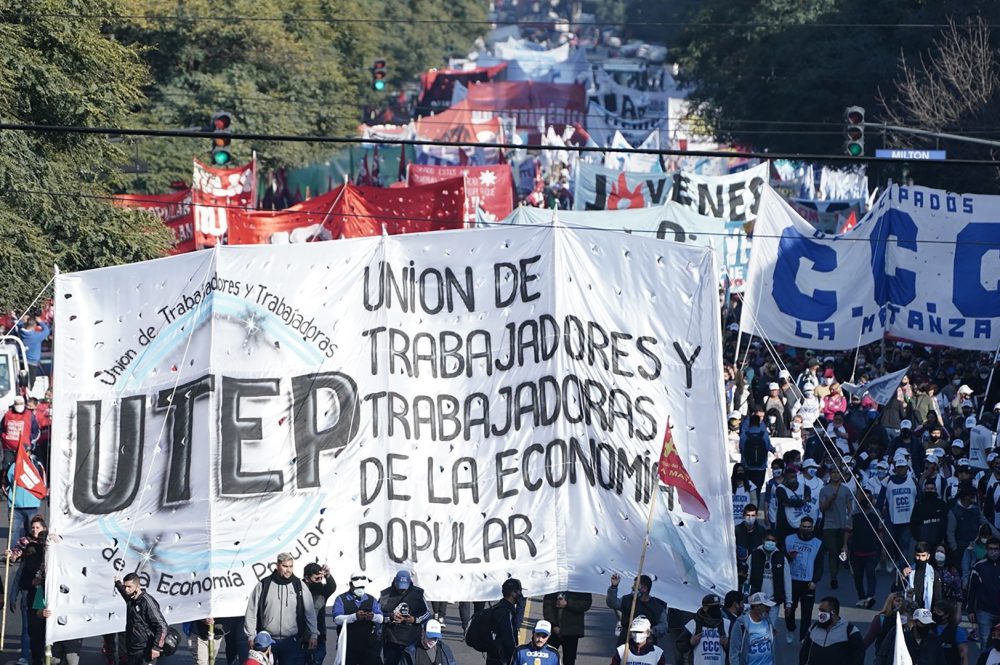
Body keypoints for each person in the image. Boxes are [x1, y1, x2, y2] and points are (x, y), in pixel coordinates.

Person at [244, 554, 319, 665]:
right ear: (277, 565)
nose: (288, 570)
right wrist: (250, 635)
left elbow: (310, 612)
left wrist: (313, 634)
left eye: (291, 566)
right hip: (267, 641)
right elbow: (251, 611)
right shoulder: (264, 584)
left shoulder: (299, 585)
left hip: (292, 641)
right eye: (285, 566)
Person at [785, 516, 825, 643]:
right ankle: (790, 628)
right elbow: (782, 558)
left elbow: (819, 564)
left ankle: (803, 637)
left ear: (812, 528)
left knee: (806, 613)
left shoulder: (818, 543)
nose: (806, 529)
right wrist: (789, 556)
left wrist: (815, 580)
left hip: (808, 583)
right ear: (800, 526)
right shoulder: (789, 539)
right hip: (791, 581)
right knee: (789, 609)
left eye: (809, 527)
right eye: (804, 526)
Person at [115, 573, 168, 665]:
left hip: (145, 650)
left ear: (138, 586)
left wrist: (156, 647)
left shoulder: (147, 602)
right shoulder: (130, 598)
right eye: (125, 586)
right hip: (132, 648)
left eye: (129, 586)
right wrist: (117, 583)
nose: (126, 589)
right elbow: (123, 591)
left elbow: (162, 626)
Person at [331, 572, 384, 665]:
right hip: (348, 645)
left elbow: (381, 618)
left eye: (362, 587)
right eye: (357, 587)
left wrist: (373, 617)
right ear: (351, 585)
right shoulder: (341, 599)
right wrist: (354, 617)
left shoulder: (371, 599)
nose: (360, 589)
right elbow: (337, 619)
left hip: (369, 645)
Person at [380, 570, 430, 665]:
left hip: (412, 638)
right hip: (391, 638)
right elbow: (378, 615)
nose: (402, 590)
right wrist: (390, 617)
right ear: (395, 581)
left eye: (404, 588)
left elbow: (427, 613)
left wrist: (415, 619)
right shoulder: (385, 595)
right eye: (399, 587)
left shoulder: (418, 594)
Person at [798, 596, 864, 664]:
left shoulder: (850, 631)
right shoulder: (813, 628)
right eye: (819, 610)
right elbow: (804, 653)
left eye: (823, 611)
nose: (820, 614)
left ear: (833, 612)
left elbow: (858, 657)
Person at [607, 573, 669, 646]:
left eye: (636, 585)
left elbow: (664, 625)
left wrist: (651, 631)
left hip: (646, 643)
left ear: (645, 588)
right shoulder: (627, 599)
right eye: (633, 585)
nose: (632, 587)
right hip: (626, 640)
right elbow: (612, 603)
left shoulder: (657, 606)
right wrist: (614, 586)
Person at [818, 467, 853, 590]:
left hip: (843, 525)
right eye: (833, 472)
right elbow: (822, 508)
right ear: (830, 474)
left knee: (840, 551)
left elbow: (850, 508)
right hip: (829, 525)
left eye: (838, 473)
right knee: (833, 551)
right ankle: (833, 577)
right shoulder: (824, 490)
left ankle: (840, 566)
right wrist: (830, 500)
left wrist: (850, 521)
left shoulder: (846, 490)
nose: (836, 475)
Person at [880, 457, 918, 570]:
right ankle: (891, 556)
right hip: (891, 518)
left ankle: (902, 568)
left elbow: (919, 498)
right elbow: (880, 501)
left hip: (908, 519)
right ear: (895, 468)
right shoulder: (887, 481)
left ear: (907, 468)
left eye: (903, 467)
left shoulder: (913, 481)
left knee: (904, 543)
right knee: (888, 541)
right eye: (899, 467)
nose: (901, 469)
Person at [847, 488, 883, 608]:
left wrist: (882, 547)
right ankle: (861, 597)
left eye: (869, 497)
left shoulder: (876, 513)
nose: (867, 500)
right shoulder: (854, 514)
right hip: (856, 550)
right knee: (857, 576)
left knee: (871, 573)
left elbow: (880, 531)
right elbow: (848, 531)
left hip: (872, 550)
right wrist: (844, 547)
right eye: (864, 497)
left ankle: (870, 597)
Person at [746, 533, 791, 627]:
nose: (770, 542)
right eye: (768, 540)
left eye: (773, 540)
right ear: (763, 540)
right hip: (756, 602)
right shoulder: (753, 556)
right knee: (754, 628)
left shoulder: (782, 558)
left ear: (777, 542)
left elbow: (787, 581)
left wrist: (788, 603)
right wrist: (745, 597)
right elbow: (747, 577)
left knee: (770, 629)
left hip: (773, 602)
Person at [676, 594, 730, 665]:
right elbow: (679, 645)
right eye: (713, 607)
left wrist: (727, 644)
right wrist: (690, 642)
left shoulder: (727, 624)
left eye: (718, 607)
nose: (716, 610)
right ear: (705, 608)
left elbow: (737, 649)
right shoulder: (693, 624)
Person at [542, 591, 591, 665]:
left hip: (572, 632)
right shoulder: (555, 584)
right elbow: (547, 605)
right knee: (547, 658)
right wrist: (553, 625)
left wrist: (567, 603)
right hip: (553, 631)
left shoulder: (581, 585)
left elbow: (586, 604)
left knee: (569, 660)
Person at [968, 538, 1000, 649]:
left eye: (996, 549)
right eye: (991, 549)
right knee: (985, 642)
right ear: (986, 549)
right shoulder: (978, 566)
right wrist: (970, 609)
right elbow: (972, 589)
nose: (993, 551)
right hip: (984, 611)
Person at [728, 592, 775, 665]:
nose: (769, 609)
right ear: (757, 607)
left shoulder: (768, 621)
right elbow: (734, 652)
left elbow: (771, 648)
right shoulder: (741, 624)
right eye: (766, 606)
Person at [303, 563, 336, 665]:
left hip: (320, 634)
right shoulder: (299, 590)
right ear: (307, 578)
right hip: (303, 637)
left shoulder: (322, 589)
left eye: (321, 578)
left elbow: (332, 587)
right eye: (316, 578)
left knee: (317, 660)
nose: (319, 581)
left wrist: (328, 576)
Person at [485, 578, 522, 665]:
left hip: (492, 655)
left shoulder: (496, 608)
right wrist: (514, 657)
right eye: (519, 591)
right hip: (502, 658)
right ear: (513, 593)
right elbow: (509, 639)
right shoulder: (506, 612)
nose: (520, 594)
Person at [1, 396, 39, 469]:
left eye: (21, 403)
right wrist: (4, 437)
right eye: (17, 403)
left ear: (24, 404)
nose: (19, 405)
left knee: (24, 469)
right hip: (9, 449)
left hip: (24, 449)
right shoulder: (8, 414)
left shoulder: (30, 415)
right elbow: (1, 428)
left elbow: (36, 431)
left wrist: (29, 440)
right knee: (7, 469)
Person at [905, 542, 944, 611]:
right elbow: (897, 589)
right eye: (918, 555)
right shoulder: (908, 571)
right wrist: (903, 576)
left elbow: (937, 597)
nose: (920, 558)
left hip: (926, 613)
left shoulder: (933, 574)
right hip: (909, 611)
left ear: (928, 556)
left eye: (923, 556)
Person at [912, 479, 949, 553]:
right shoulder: (919, 505)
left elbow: (946, 522)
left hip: (938, 542)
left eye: (932, 488)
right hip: (923, 543)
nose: (930, 491)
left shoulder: (941, 504)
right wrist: (918, 538)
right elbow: (913, 523)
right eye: (927, 488)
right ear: (924, 490)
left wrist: (943, 538)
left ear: (935, 489)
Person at [739, 414, 775, 489]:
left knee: (748, 490)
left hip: (747, 468)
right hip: (761, 468)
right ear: (759, 422)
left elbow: (741, 449)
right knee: (758, 490)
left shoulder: (744, 435)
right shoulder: (764, 435)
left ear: (749, 423)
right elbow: (768, 447)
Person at [15, 314, 49, 390]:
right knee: (30, 384)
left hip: (22, 361)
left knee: (21, 382)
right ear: (34, 326)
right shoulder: (36, 336)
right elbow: (47, 331)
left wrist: (22, 321)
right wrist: (41, 322)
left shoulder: (22, 333)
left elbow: (19, 325)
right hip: (32, 363)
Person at [932, 600, 969, 665]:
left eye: (939, 612)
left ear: (946, 615)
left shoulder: (957, 631)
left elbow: (963, 656)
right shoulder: (929, 627)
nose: (935, 614)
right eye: (934, 611)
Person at [735, 504, 765, 572]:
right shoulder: (736, 530)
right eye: (748, 515)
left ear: (756, 516)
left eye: (753, 515)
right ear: (743, 516)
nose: (750, 518)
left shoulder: (761, 530)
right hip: (740, 569)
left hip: (756, 567)